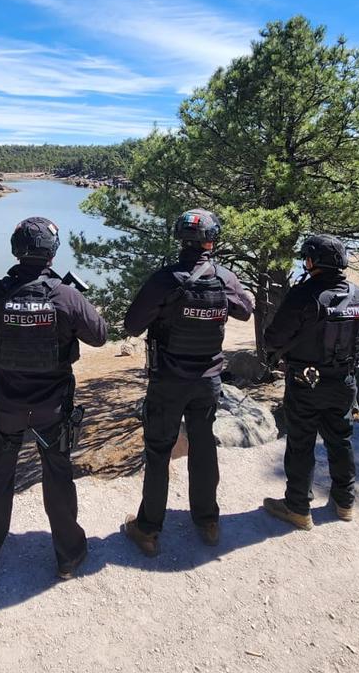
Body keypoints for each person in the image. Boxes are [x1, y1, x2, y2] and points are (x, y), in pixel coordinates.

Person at [0, 216, 107, 581]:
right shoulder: (65, 295)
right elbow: (99, 335)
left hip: (6, 406)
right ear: (52, 253)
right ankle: (69, 556)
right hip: (52, 409)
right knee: (58, 475)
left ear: (16, 250)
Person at [119, 208, 253, 555]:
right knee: (203, 445)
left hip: (168, 381)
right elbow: (245, 310)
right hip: (207, 381)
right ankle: (208, 522)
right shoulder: (224, 278)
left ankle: (148, 529)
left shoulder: (165, 280)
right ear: (212, 241)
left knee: (158, 450)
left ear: (180, 239)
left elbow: (132, 325)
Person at [261, 234, 359, 530]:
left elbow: (274, 338)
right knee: (341, 440)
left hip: (305, 382)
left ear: (311, 261)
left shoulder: (302, 295)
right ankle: (345, 503)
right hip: (344, 381)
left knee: (301, 443)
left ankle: (298, 507)